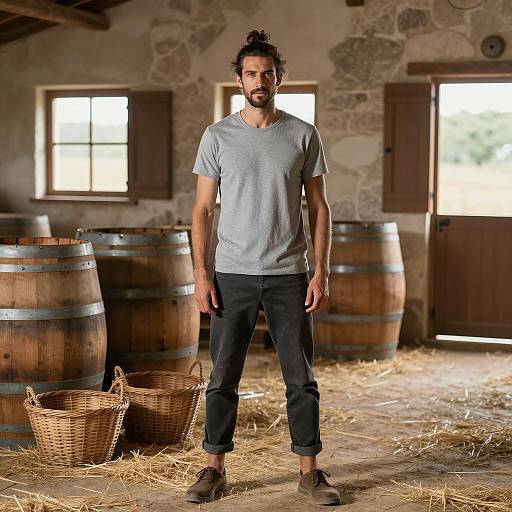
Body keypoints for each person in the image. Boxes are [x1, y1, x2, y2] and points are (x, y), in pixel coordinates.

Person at [187, 29, 340, 506]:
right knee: (222, 376)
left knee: (300, 376)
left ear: (280, 79)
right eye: (251, 73)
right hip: (231, 273)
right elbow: (202, 210)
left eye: (268, 73)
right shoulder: (217, 136)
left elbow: (319, 207)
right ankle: (213, 469)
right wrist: (200, 273)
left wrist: (321, 271)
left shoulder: (302, 134)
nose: (260, 80)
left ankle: (310, 473)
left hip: (289, 274)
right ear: (238, 80)